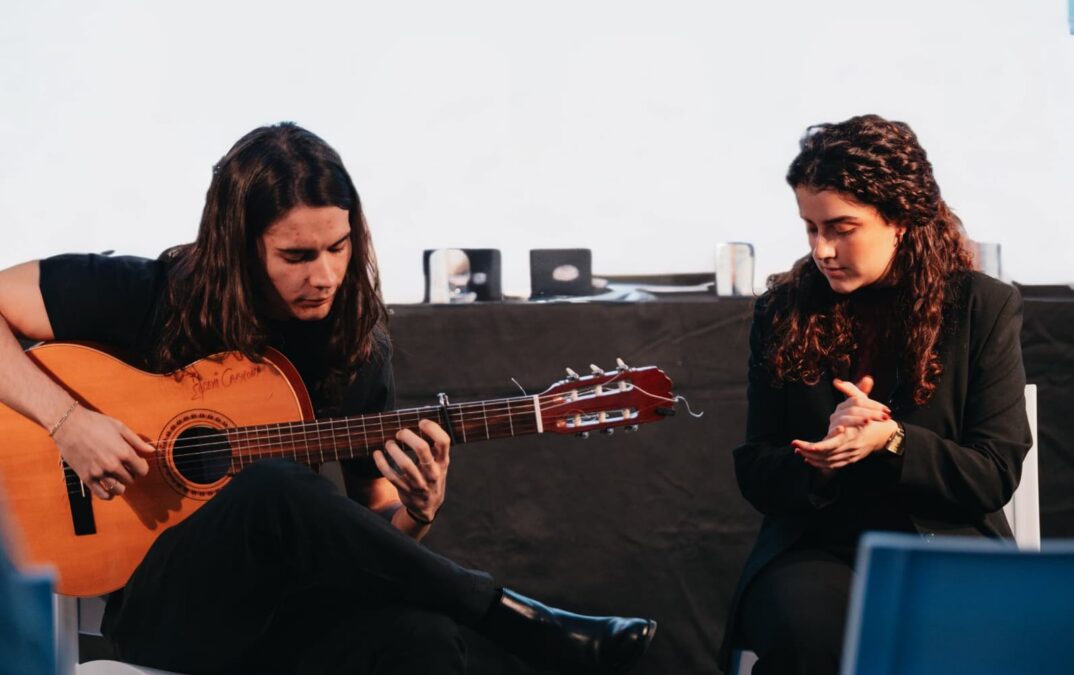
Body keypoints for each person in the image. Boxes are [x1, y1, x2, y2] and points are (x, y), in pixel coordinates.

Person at [0, 122, 656, 675]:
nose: (326, 274)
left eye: (340, 247)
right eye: (298, 253)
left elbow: (366, 528)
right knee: (272, 485)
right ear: (239, 247)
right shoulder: (148, 293)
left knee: (427, 639)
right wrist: (67, 421)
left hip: (290, 618)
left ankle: (483, 618)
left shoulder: (355, 344)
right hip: (175, 612)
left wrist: (418, 512)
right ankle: (514, 618)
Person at [717, 115, 1031, 675]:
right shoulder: (783, 312)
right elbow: (757, 470)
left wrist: (892, 441)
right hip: (818, 547)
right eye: (811, 228)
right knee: (808, 640)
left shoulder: (981, 308)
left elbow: (993, 472)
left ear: (900, 218)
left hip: (946, 547)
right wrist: (822, 460)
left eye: (842, 227)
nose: (823, 250)